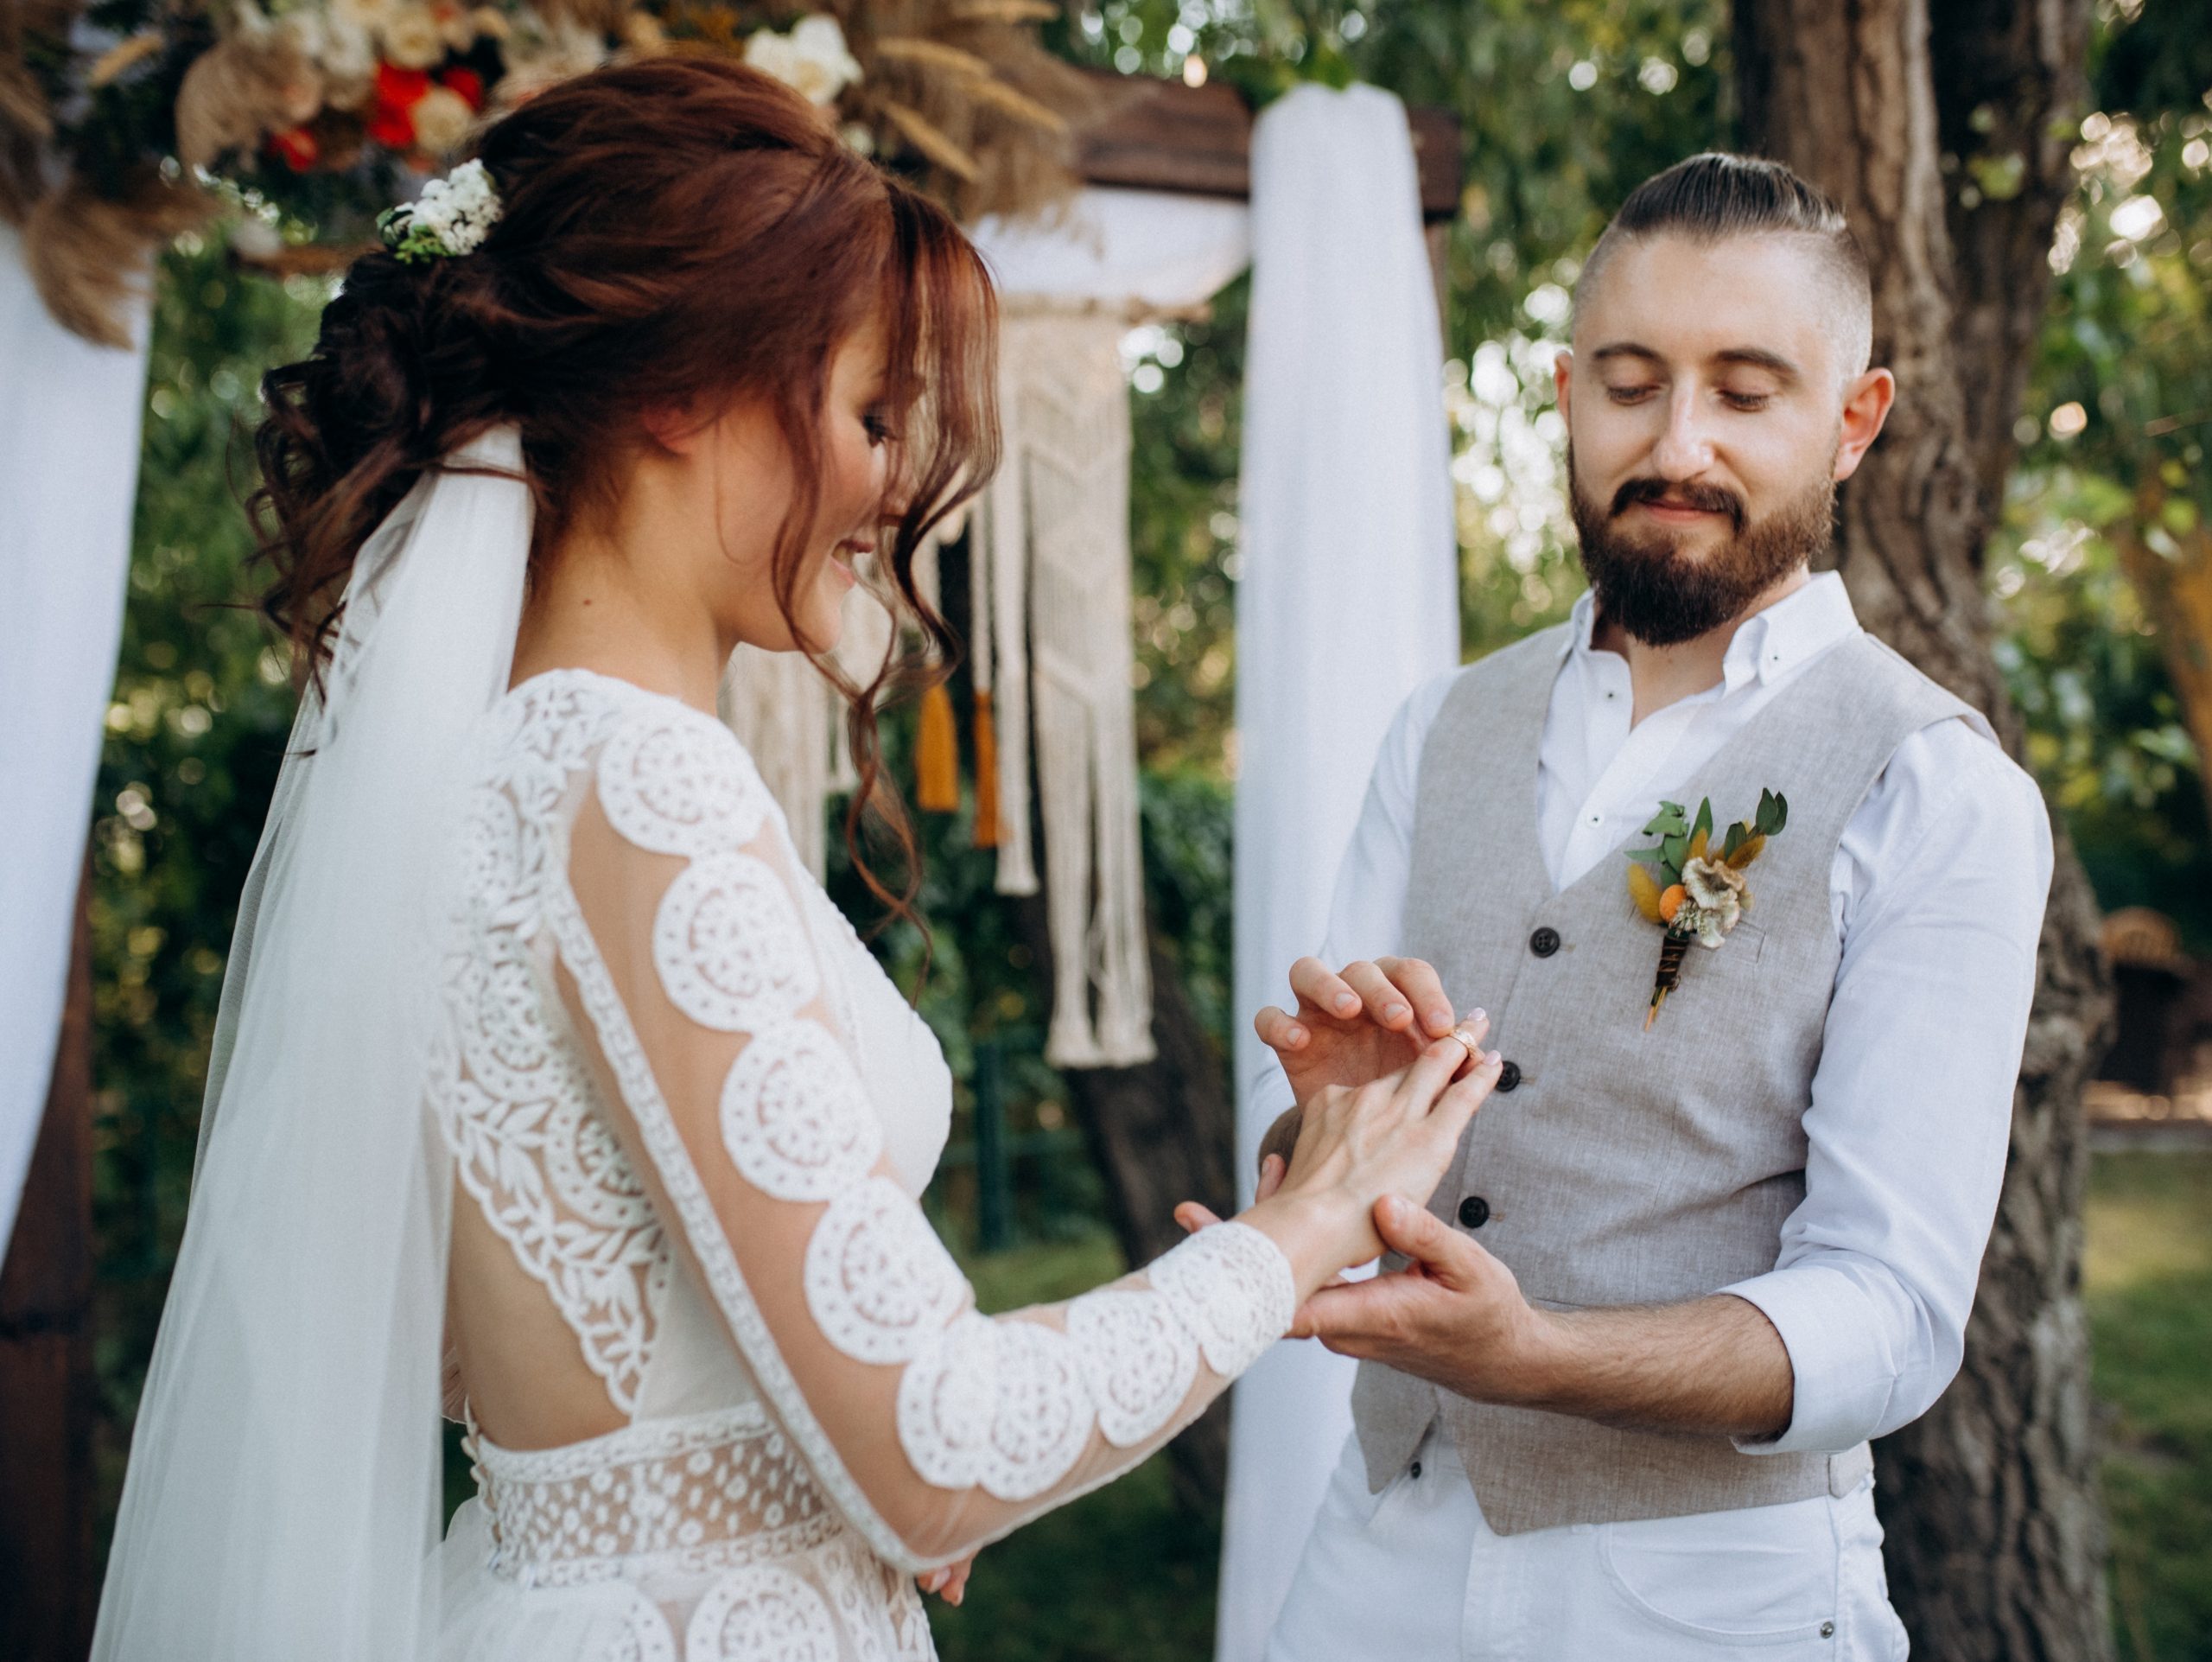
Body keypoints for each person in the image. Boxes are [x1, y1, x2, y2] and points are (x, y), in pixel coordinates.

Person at [89, 57, 1505, 1662]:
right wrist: (1314, 1217)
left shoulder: (492, 775)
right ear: (680, 391)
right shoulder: (636, 778)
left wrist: (799, 1462)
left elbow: (501, 1354)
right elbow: (937, 1451)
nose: (897, 484)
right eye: (868, 412)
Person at [1231, 154, 2053, 1658]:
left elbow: (1892, 1310)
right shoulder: (1441, 730)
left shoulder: (1932, 790)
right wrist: (1322, 1138)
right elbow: (1318, 1171)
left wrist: (1535, 1356)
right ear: (1563, 393)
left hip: (1708, 1596)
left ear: (1853, 421)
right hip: (1374, 1554)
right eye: (1629, 384)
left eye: (1747, 393)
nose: (1680, 444)